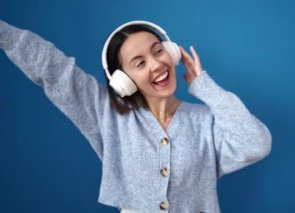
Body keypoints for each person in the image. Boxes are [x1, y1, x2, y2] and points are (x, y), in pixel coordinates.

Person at [0, 19, 272, 212]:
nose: (157, 65)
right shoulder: (106, 115)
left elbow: (256, 144)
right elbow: (51, 67)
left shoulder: (206, 122)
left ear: (172, 53)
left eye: (158, 51)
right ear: (123, 81)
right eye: (140, 63)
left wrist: (205, 86)